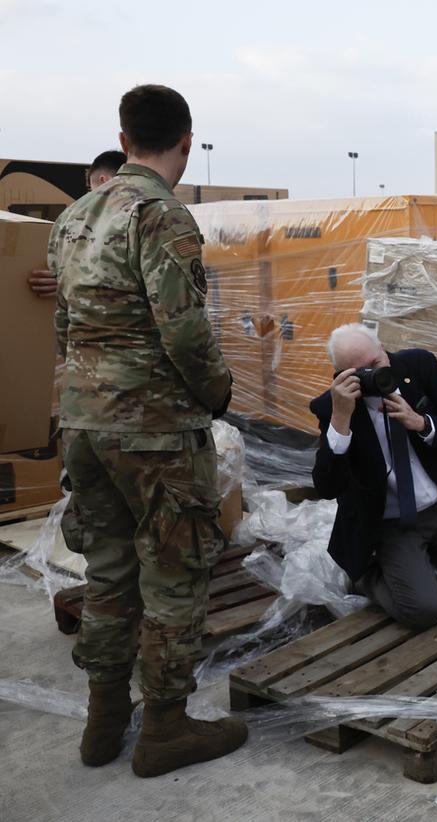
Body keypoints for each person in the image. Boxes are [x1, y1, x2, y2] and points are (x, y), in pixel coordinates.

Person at [53, 85, 244, 777]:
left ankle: (103, 724)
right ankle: (163, 726)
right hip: (154, 429)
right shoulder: (162, 215)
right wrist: (218, 392)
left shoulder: (75, 215)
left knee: (107, 569)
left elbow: (65, 328)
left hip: (83, 419)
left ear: (124, 136)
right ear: (185, 143)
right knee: (175, 570)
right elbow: (184, 330)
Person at [310, 323, 437, 629]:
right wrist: (340, 419)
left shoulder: (418, 366)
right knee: (423, 612)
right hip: (391, 523)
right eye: (362, 373)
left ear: (383, 349)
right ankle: (368, 576)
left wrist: (422, 423)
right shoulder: (334, 406)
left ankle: (431, 559)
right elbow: (326, 486)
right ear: (342, 376)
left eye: (378, 364)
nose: (377, 377)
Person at [28, 149, 127, 299]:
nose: (91, 200)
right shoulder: (148, 214)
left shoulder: (73, 218)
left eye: (92, 191)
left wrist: (69, 283)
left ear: (104, 181)